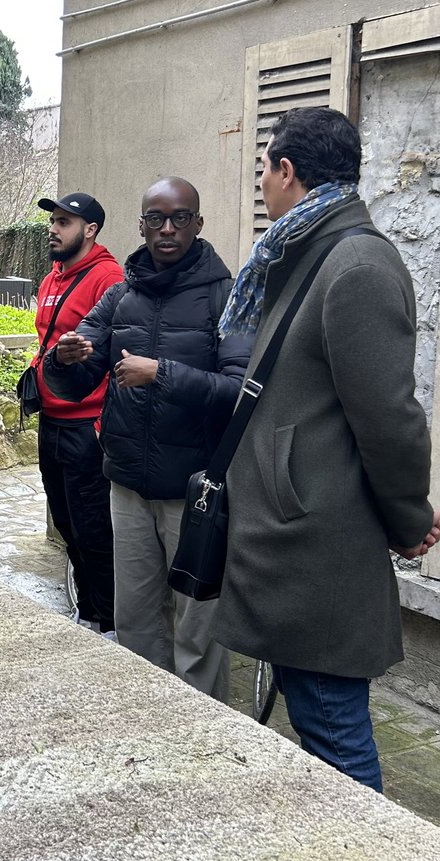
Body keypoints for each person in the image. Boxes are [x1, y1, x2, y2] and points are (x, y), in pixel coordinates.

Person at [214, 107, 440, 791]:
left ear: (287, 170)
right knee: (320, 727)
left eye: (262, 169)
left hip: (313, 544)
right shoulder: (310, 249)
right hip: (294, 536)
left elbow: (390, 417)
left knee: (335, 736)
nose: (259, 183)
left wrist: (408, 518)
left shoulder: (357, 262)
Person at [43, 177, 251, 702]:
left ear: (197, 224)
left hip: (195, 492)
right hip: (128, 486)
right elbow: (73, 376)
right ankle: (147, 726)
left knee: (196, 630)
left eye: (179, 217)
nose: (166, 228)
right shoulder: (121, 295)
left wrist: (161, 373)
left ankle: (205, 735)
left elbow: (239, 393)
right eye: (155, 218)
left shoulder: (227, 297)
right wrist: (63, 359)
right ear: (140, 225)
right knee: (135, 624)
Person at [31, 192, 124, 637]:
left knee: (93, 530)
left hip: (87, 425)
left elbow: (113, 350)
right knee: (67, 525)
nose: (54, 228)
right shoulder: (53, 276)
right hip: (51, 419)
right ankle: (87, 611)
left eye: (65, 222)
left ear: (90, 230)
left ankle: (105, 623)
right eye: (53, 220)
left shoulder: (108, 278)